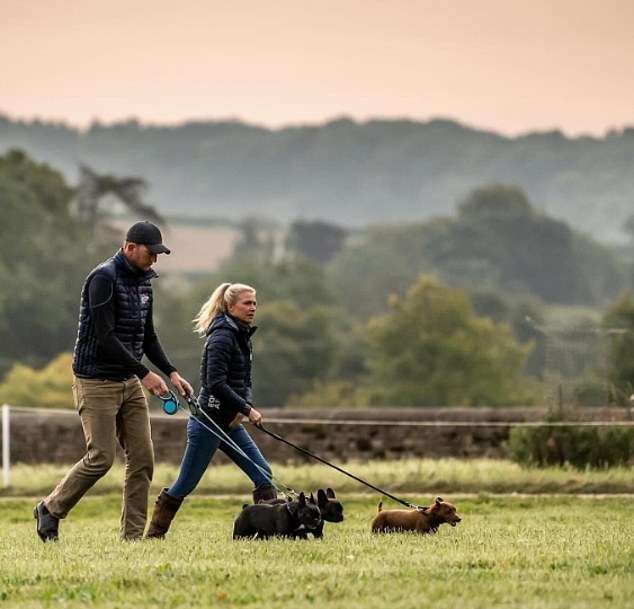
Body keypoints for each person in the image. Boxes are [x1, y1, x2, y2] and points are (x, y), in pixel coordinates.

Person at [34, 220, 193, 542]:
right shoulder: (102, 279)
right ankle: (51, 509)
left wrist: (171, 371)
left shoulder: (145, 282)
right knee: (101, 457)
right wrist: (145, 374)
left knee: (143, 460)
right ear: (130, 247)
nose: (155, 260)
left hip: (129, 380)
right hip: (95, 381)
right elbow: (105, 337)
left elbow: (148, 336)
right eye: (151, 253)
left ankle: (132, 538)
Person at [145, 282, 276, 539]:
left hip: (230, 422)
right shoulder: (222, 336)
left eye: (254, 303)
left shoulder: (241, 335)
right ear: (229, 306)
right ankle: (154, 535)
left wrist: (241, 408)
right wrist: (247, 409)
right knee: (185, 484)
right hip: (208, 423)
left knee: (262, 473)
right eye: (247, 303)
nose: (253, 308)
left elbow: (244, 382)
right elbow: (215, 383)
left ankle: (264, 533)